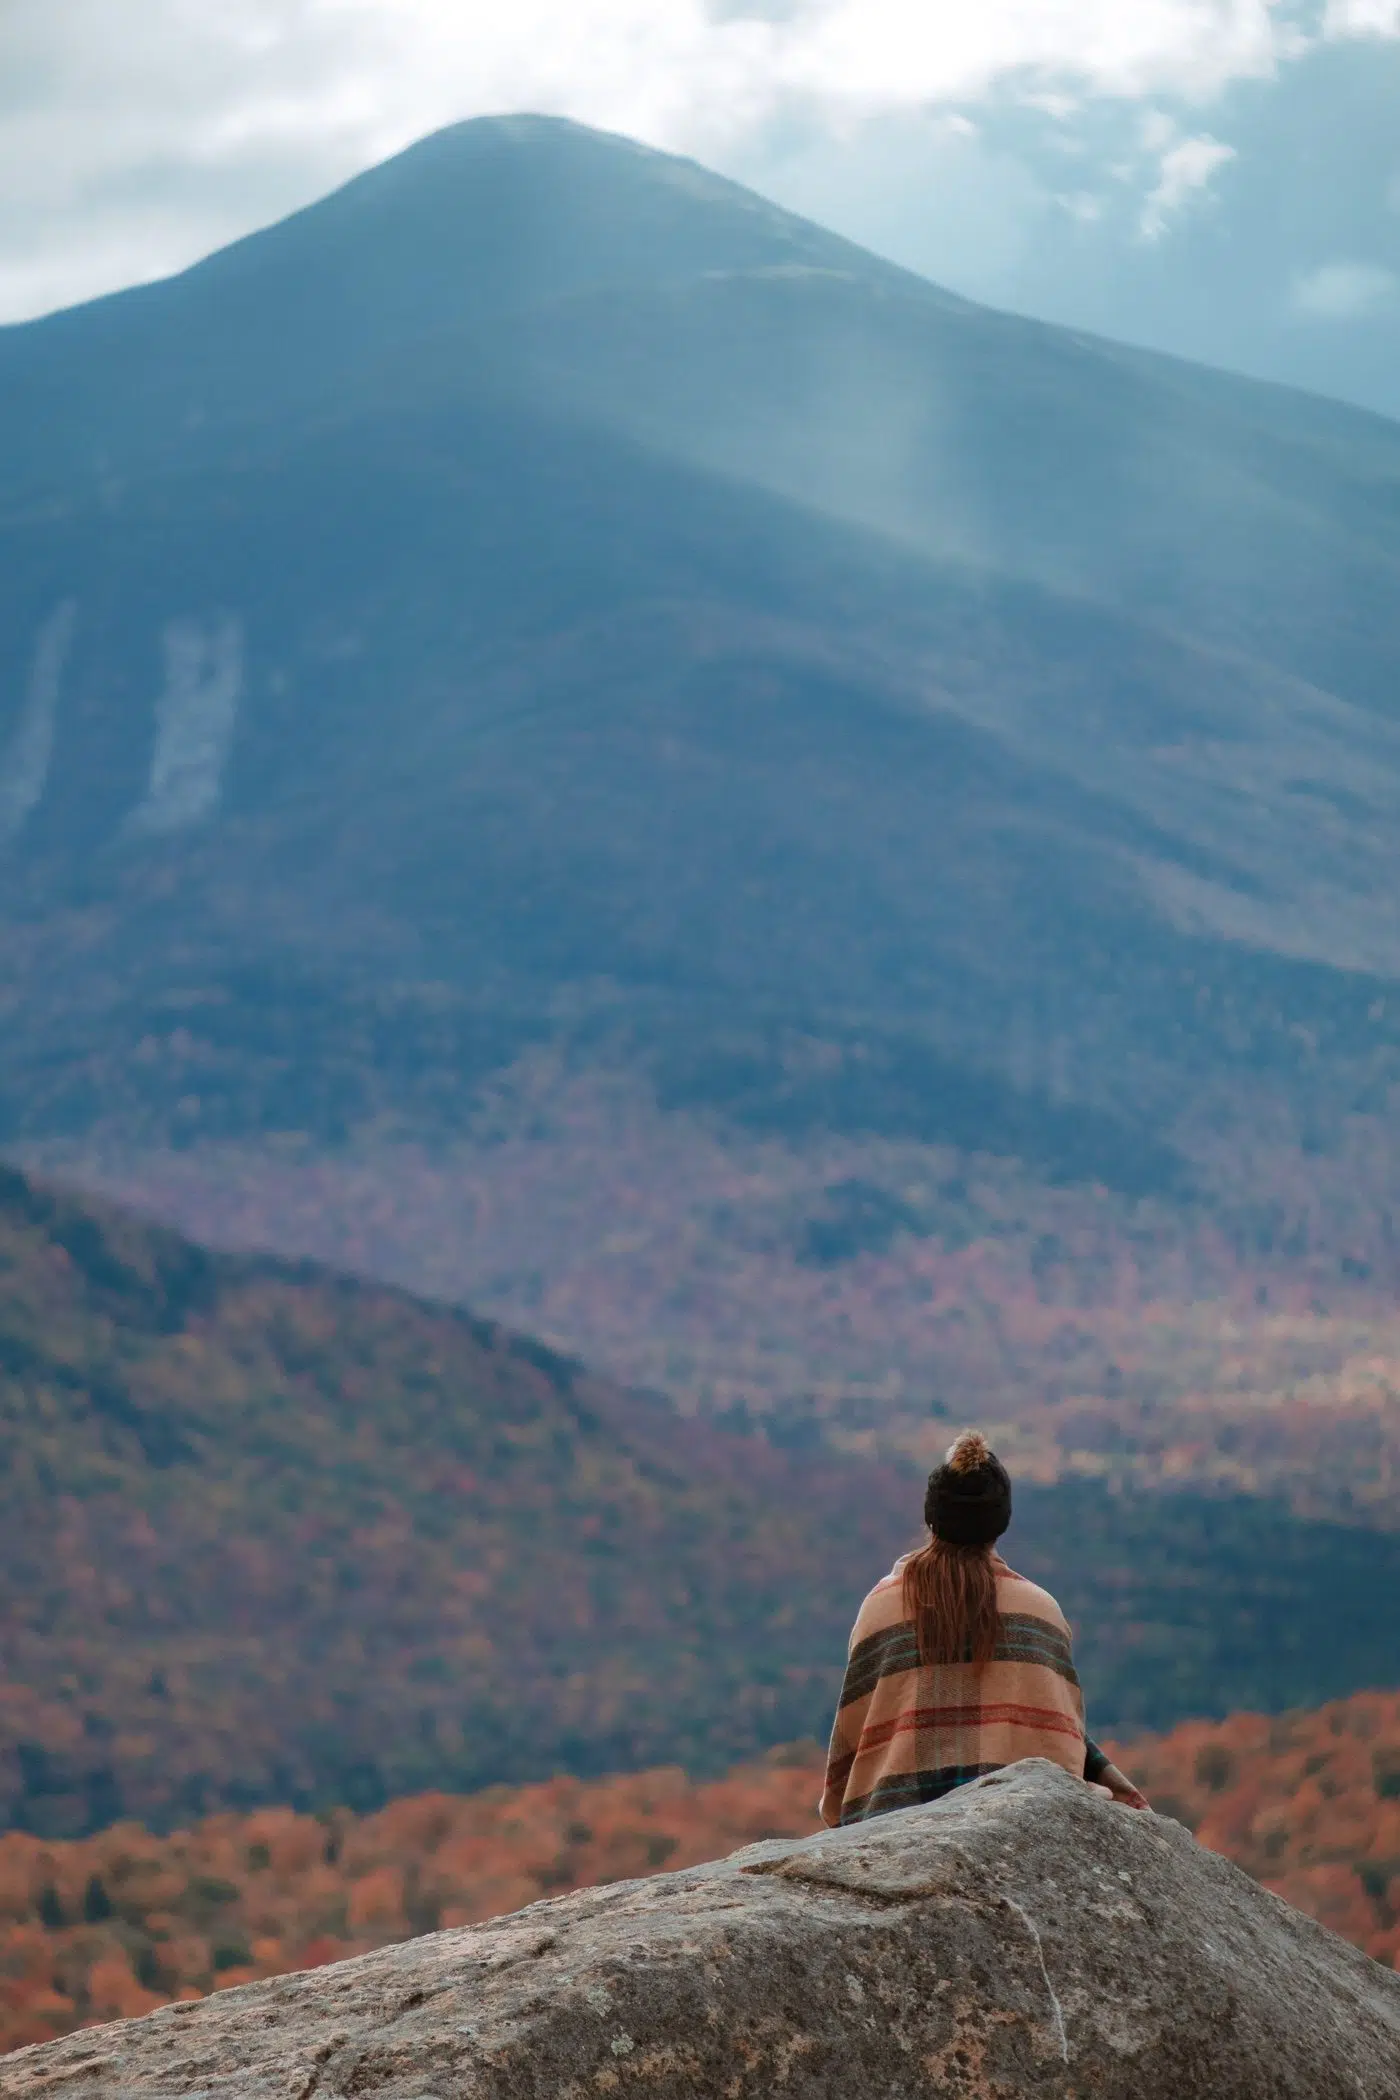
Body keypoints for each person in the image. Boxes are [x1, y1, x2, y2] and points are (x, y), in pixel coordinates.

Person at [820, 1428, 1147, 1826]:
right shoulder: (1040, 1611)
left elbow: (853, 1740)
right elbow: (1061, 1739)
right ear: (1000, 1522)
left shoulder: (882, 1607)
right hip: (1019, 1824)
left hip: (892, 1819)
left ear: (931, 1518)